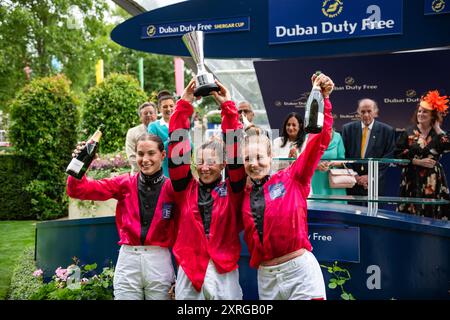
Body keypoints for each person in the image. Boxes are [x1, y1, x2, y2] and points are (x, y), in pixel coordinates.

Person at [240, 73, 334, 300]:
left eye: (259, 157)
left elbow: (318, 142)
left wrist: (324, 100)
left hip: (299, 274)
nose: (254, 164)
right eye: (247, 159)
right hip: (266, 279)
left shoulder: (293, 177)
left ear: (271, 155)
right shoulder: (241, 195)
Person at [66, 134, 178, 300]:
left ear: (162, 155)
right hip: (128, 260)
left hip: (160, 261)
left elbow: (184, 235)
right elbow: (78, 190)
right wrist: (82, 162)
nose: (145, 159)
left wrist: (181, 277)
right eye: (140, 154)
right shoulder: (124, 183)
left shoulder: (173, 189)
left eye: (151, 153)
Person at [168, 79, 246, 300]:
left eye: (211, 162)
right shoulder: (185, 190)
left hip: (224, 269)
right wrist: (184, 105)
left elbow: (235, 154)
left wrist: (228, 108)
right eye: (200, 162)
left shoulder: (233, 190)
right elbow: (177, 151)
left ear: (222, 164)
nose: (204, 167)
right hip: (190, 269)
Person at [394, 90, 450, 220]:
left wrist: (437, 128)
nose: (420, 114)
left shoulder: (438, 134)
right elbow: (396, 156)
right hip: (411, 178)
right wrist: (417, 162)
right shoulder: (408, 132)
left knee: (432, 216)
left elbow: (447, 145)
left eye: (425, 111)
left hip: (433, 180)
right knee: (410, 215)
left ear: (433, 115)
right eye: (419, 111)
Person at [341, 98, 395, 200]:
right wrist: (355, 176)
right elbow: (344, 155)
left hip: (375, 185)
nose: (366, 115)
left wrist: (370, 176)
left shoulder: (387, 131)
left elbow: (388, 157)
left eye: (369, 111)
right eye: (363, 111)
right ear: (358, 112)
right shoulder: (347, 129)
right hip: (352, 183)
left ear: (375, 112)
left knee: (374, 215)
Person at [311, 128, 347, 203]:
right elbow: (305, 161)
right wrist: (317, 166)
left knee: (337, 211)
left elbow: (342, 160)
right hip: (316, 181)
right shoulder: (311, 136)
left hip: (335, 182)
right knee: (317, 211)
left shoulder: (338, 136)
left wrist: (331, 164)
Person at [148, 90, 175, 177]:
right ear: (159, 109)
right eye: (165, 107)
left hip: (180, 167)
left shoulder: (181, 124)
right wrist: (171, 140)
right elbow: (153, 148)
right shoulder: (154, 126)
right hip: (162, 170)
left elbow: (190, 146)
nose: (169, 109)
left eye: (171, 106)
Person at [126, 102, 157, 174]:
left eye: (151, 113)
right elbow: (131, 157)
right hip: (139, 175)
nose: (148, 115)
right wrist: (149, 169)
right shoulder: (132, 132)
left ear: (156, 115)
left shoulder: (163, 129)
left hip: (160, 175)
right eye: (145, 113)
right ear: (140, 117)